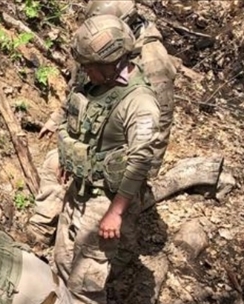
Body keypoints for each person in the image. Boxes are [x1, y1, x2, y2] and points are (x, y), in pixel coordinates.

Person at [45, 15, 163, 304]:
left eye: (93, 67)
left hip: (105, 199)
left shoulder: (139, 103)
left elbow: (141, 161)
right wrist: (70, 157)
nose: (87, 72)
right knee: (63, 259)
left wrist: (115, 212)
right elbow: (79, 118)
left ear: (115, 62)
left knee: (87, 276)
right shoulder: (96, 81)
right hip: (81, 188)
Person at [29, 0, 177, 246]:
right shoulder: (100, 50)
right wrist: (60, 122)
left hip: (118, 151)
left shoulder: (151, 63)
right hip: (93, 137)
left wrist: (140, 179)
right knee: (54, 162)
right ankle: (43, 228)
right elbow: (80, 89)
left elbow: (158, 124)